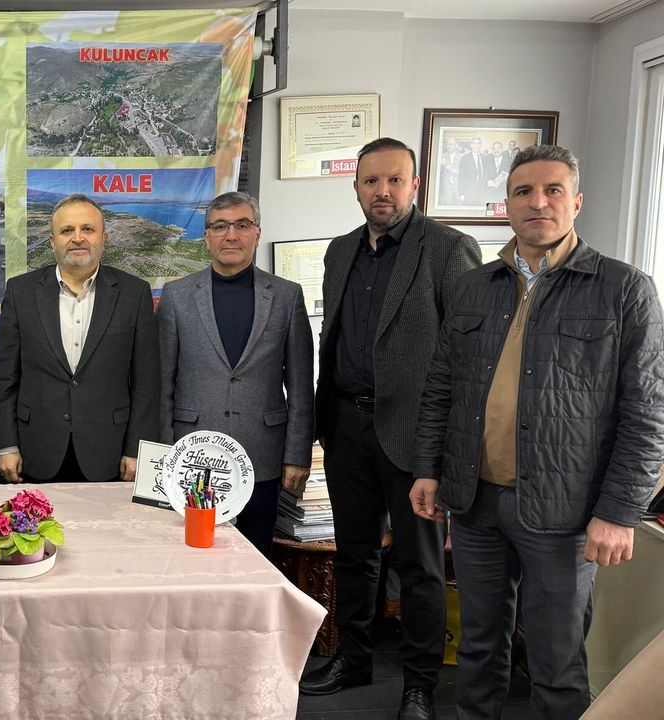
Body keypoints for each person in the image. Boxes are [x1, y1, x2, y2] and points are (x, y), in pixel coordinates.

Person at [410, 145, 664, 720]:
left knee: (557, 661)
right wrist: (428, 469)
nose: (538, 202)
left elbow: (648, 412)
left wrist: (619, 512)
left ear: (577, 202)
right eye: (523, 191)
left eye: (553, 191)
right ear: (507, 205)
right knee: (478, 646)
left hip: (564, 510)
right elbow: (442, 387)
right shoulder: (474, 287)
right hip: (475, 501)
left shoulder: (623, 289)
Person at [299, 137, 481, 720]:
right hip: (346, 425)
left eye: (394, 180)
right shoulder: (340, 251)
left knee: (419, 566)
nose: (383, 191)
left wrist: (444, 448)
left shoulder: (448, 249)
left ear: (414, 185)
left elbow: (466, 355)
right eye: (371, 181)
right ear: (356, 187)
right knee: (354, 554)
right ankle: (353, 660)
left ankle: (418, 685)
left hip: (414, 434)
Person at [157, 192, 313, 557]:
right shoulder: (177, 296)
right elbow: (162, 384)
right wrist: (162, 456)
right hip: (191, 456)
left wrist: (297, 454)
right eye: (220, 226)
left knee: (256, 558)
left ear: (257, 233)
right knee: (190, 557)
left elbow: (301, 386)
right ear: (206, 236)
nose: (231, 235)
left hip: (263, 456)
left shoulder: (287, 297)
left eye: (242, 225)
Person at [0, 194, 158, 483]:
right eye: (67, 230)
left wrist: (137, 448)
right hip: (34, 451)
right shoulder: (21, 292)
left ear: (103, 238)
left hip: (109, 452)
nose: (77, 238)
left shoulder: (134, 294)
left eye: (87, 229)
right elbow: (3, 377)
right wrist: (6, 445)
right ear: (52, 241)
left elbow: (147, 382)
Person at [457, 137, 489, 206]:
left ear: (480, 145)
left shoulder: (485, 158)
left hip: (482, 193)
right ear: (471, 145)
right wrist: (461, 193)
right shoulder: (465, 158)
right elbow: (461, 177)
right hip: (469, 194)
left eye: (478, 143)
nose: (476, 145)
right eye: (474, 143)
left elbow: (486, 174)